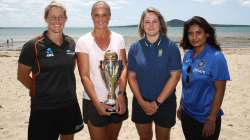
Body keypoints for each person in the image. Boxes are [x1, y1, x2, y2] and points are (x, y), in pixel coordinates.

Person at [17, 1, 83, 140]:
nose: (57, 20)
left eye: (60, 17)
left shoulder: (71, 43)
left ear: (65, 19)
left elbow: (70, 68)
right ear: (46, 18)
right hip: (43, 108)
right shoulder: (32, 45)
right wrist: (38, 90)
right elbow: (22, 76)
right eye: (52, 17)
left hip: (68, 104)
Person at [75, 1, 128, 140]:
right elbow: (84, 76)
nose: (100, 19)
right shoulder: (83, 41)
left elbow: (123, 68)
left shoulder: (119, 39)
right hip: (93, 101)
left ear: (109, 16)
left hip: (117, 99)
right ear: (92, 16)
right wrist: (97, 104)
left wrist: (121, 94)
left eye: (104, 15)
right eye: (97, 15)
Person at [127, 7, 182, 140]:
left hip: (165, 103)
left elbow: (175, 77)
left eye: (154, 21)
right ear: (142, 25)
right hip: (140, 102)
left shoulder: (171, 47)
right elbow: (131, 76)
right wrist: (141, 101)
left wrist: (157, 103)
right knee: (144, 137)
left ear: (161, 24)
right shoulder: (135, 48)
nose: (151, 25)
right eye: (147, 22)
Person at [177, 16, 230, 140]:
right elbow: (186, 84)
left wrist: (211, 118)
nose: (194, 37)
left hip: (205, 118)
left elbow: (220, 91)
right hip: (187, 114)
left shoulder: (216, 57)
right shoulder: (187, 55)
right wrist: (181, 105)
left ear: (207, 34)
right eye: (190, 33)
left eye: (198, 33)